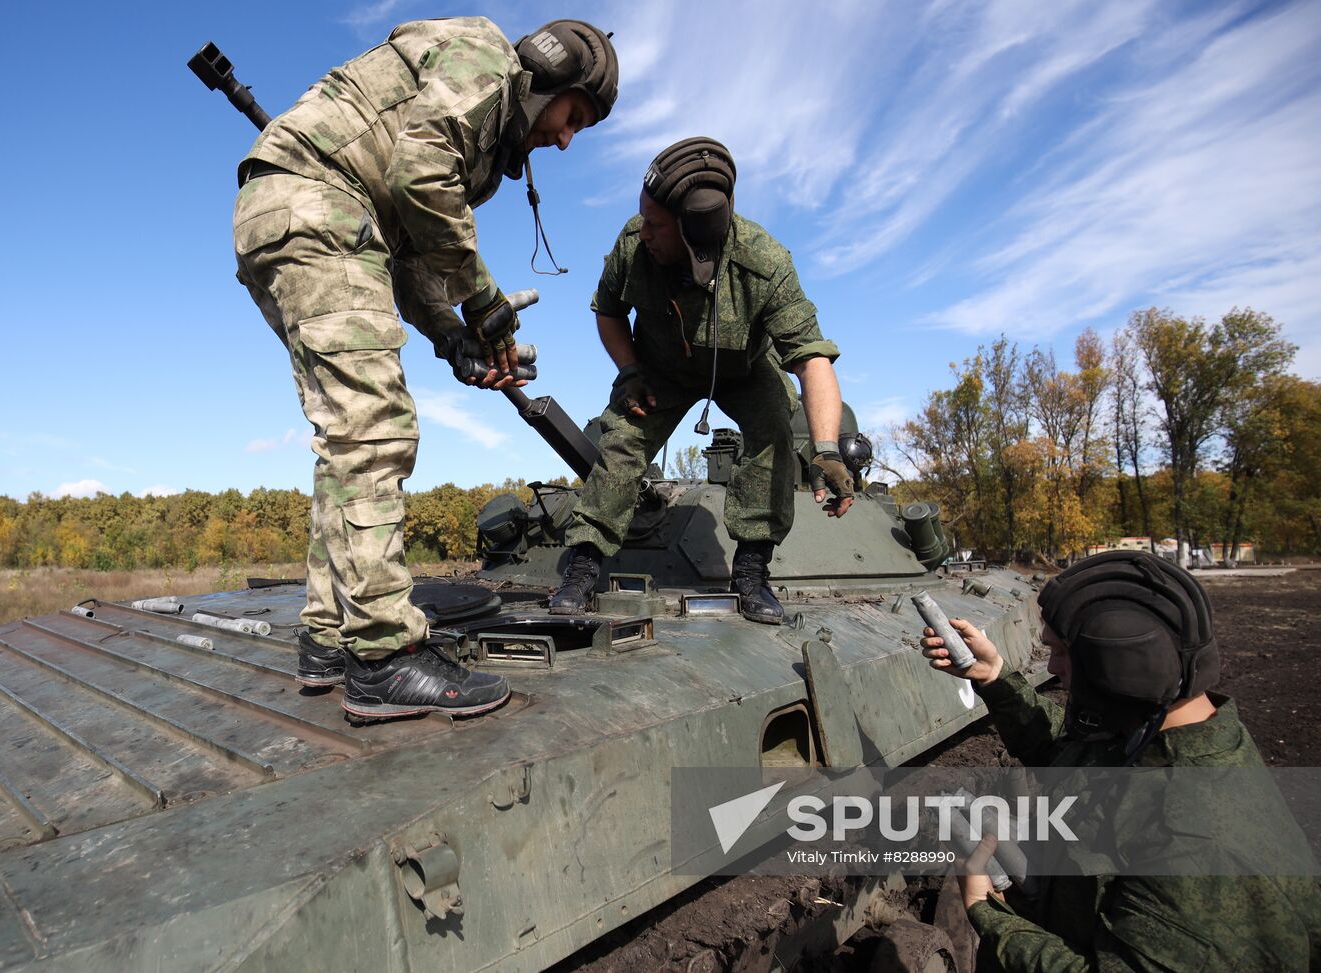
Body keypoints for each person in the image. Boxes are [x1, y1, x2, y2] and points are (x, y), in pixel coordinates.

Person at [232, 18, 618, 721]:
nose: (565, 138)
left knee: (344, 440)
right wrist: (485, 301)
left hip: (295, 213)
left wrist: (453, 336)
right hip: (319, 206)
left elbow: (411, 252)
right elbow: (418, 177)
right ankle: (383, 656)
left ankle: (327, 634)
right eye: (573, 117)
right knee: (374, 428)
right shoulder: (486, 62)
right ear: (549, 81)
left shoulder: (473, 114)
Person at [920, 551, 1320, 971]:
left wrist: (988, 912)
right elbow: (1078, 753)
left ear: (1116, 670)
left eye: (1059, 653)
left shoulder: (1195, 845)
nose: (1052, 667)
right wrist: (995, 678)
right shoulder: (1165, 736)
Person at [547, 137, 856, 624]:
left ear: (696, 235)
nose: (642, 231)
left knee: (775, 427)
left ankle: (752, 571)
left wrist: (827, 451)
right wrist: (629, 372)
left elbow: (812, 359)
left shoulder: (765, 264)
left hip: (745, 370)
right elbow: (608, 312)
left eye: (656, 224)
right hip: (660, 369)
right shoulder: (633, 246)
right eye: (642, 217)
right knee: (623, 438)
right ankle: (583, 568)